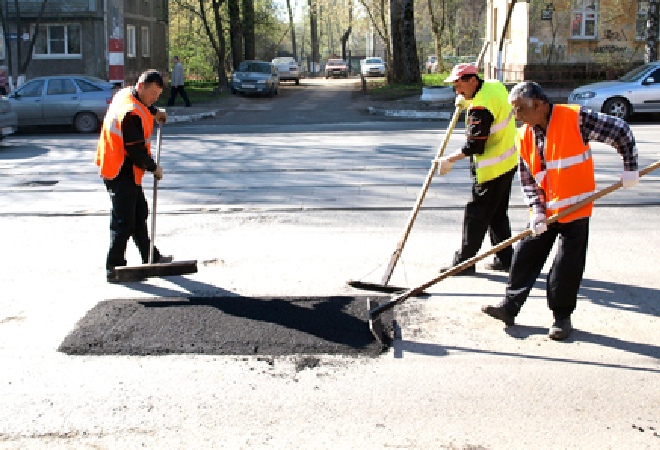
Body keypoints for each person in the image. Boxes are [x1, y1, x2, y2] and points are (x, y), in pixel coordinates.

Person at [481, 81, 639, 340]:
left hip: (576, 208)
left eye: (521, 109)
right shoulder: (525, 135)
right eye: (515, 110)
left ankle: (561, 319)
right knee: (524, 255)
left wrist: (630, 167)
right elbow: (528, 179)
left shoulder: (575, 118)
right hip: (547, 210)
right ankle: (509, 307)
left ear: (540, 105)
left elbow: (620, 129)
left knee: (566, 266)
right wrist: (537, 210)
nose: (517, 116)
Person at [435, 63, 518, 275]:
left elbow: (474, 146)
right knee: (497, 214)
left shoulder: (480, 108)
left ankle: (464, 262)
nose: (457, 91)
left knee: (476, 214)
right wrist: (466, 99)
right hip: (508, 161)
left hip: (492, 168)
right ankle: (506, 258)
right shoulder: (494, 85)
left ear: (473, 80)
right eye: (454, 86)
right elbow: (492, 102)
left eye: (459, 85)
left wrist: (449, 160)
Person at [95, 70, 172, 283]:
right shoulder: (130, 113)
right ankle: (115, 267)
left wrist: (154, 111)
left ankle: (151, 257)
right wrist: (154, 167)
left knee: (139, 213)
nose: (155, 98)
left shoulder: (127, 95)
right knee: (124, 219)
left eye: (158, 94)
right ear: (141, 86)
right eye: (153, 93)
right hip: (120, 169)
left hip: (123, 168)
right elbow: (137, 150)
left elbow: (142, 104)